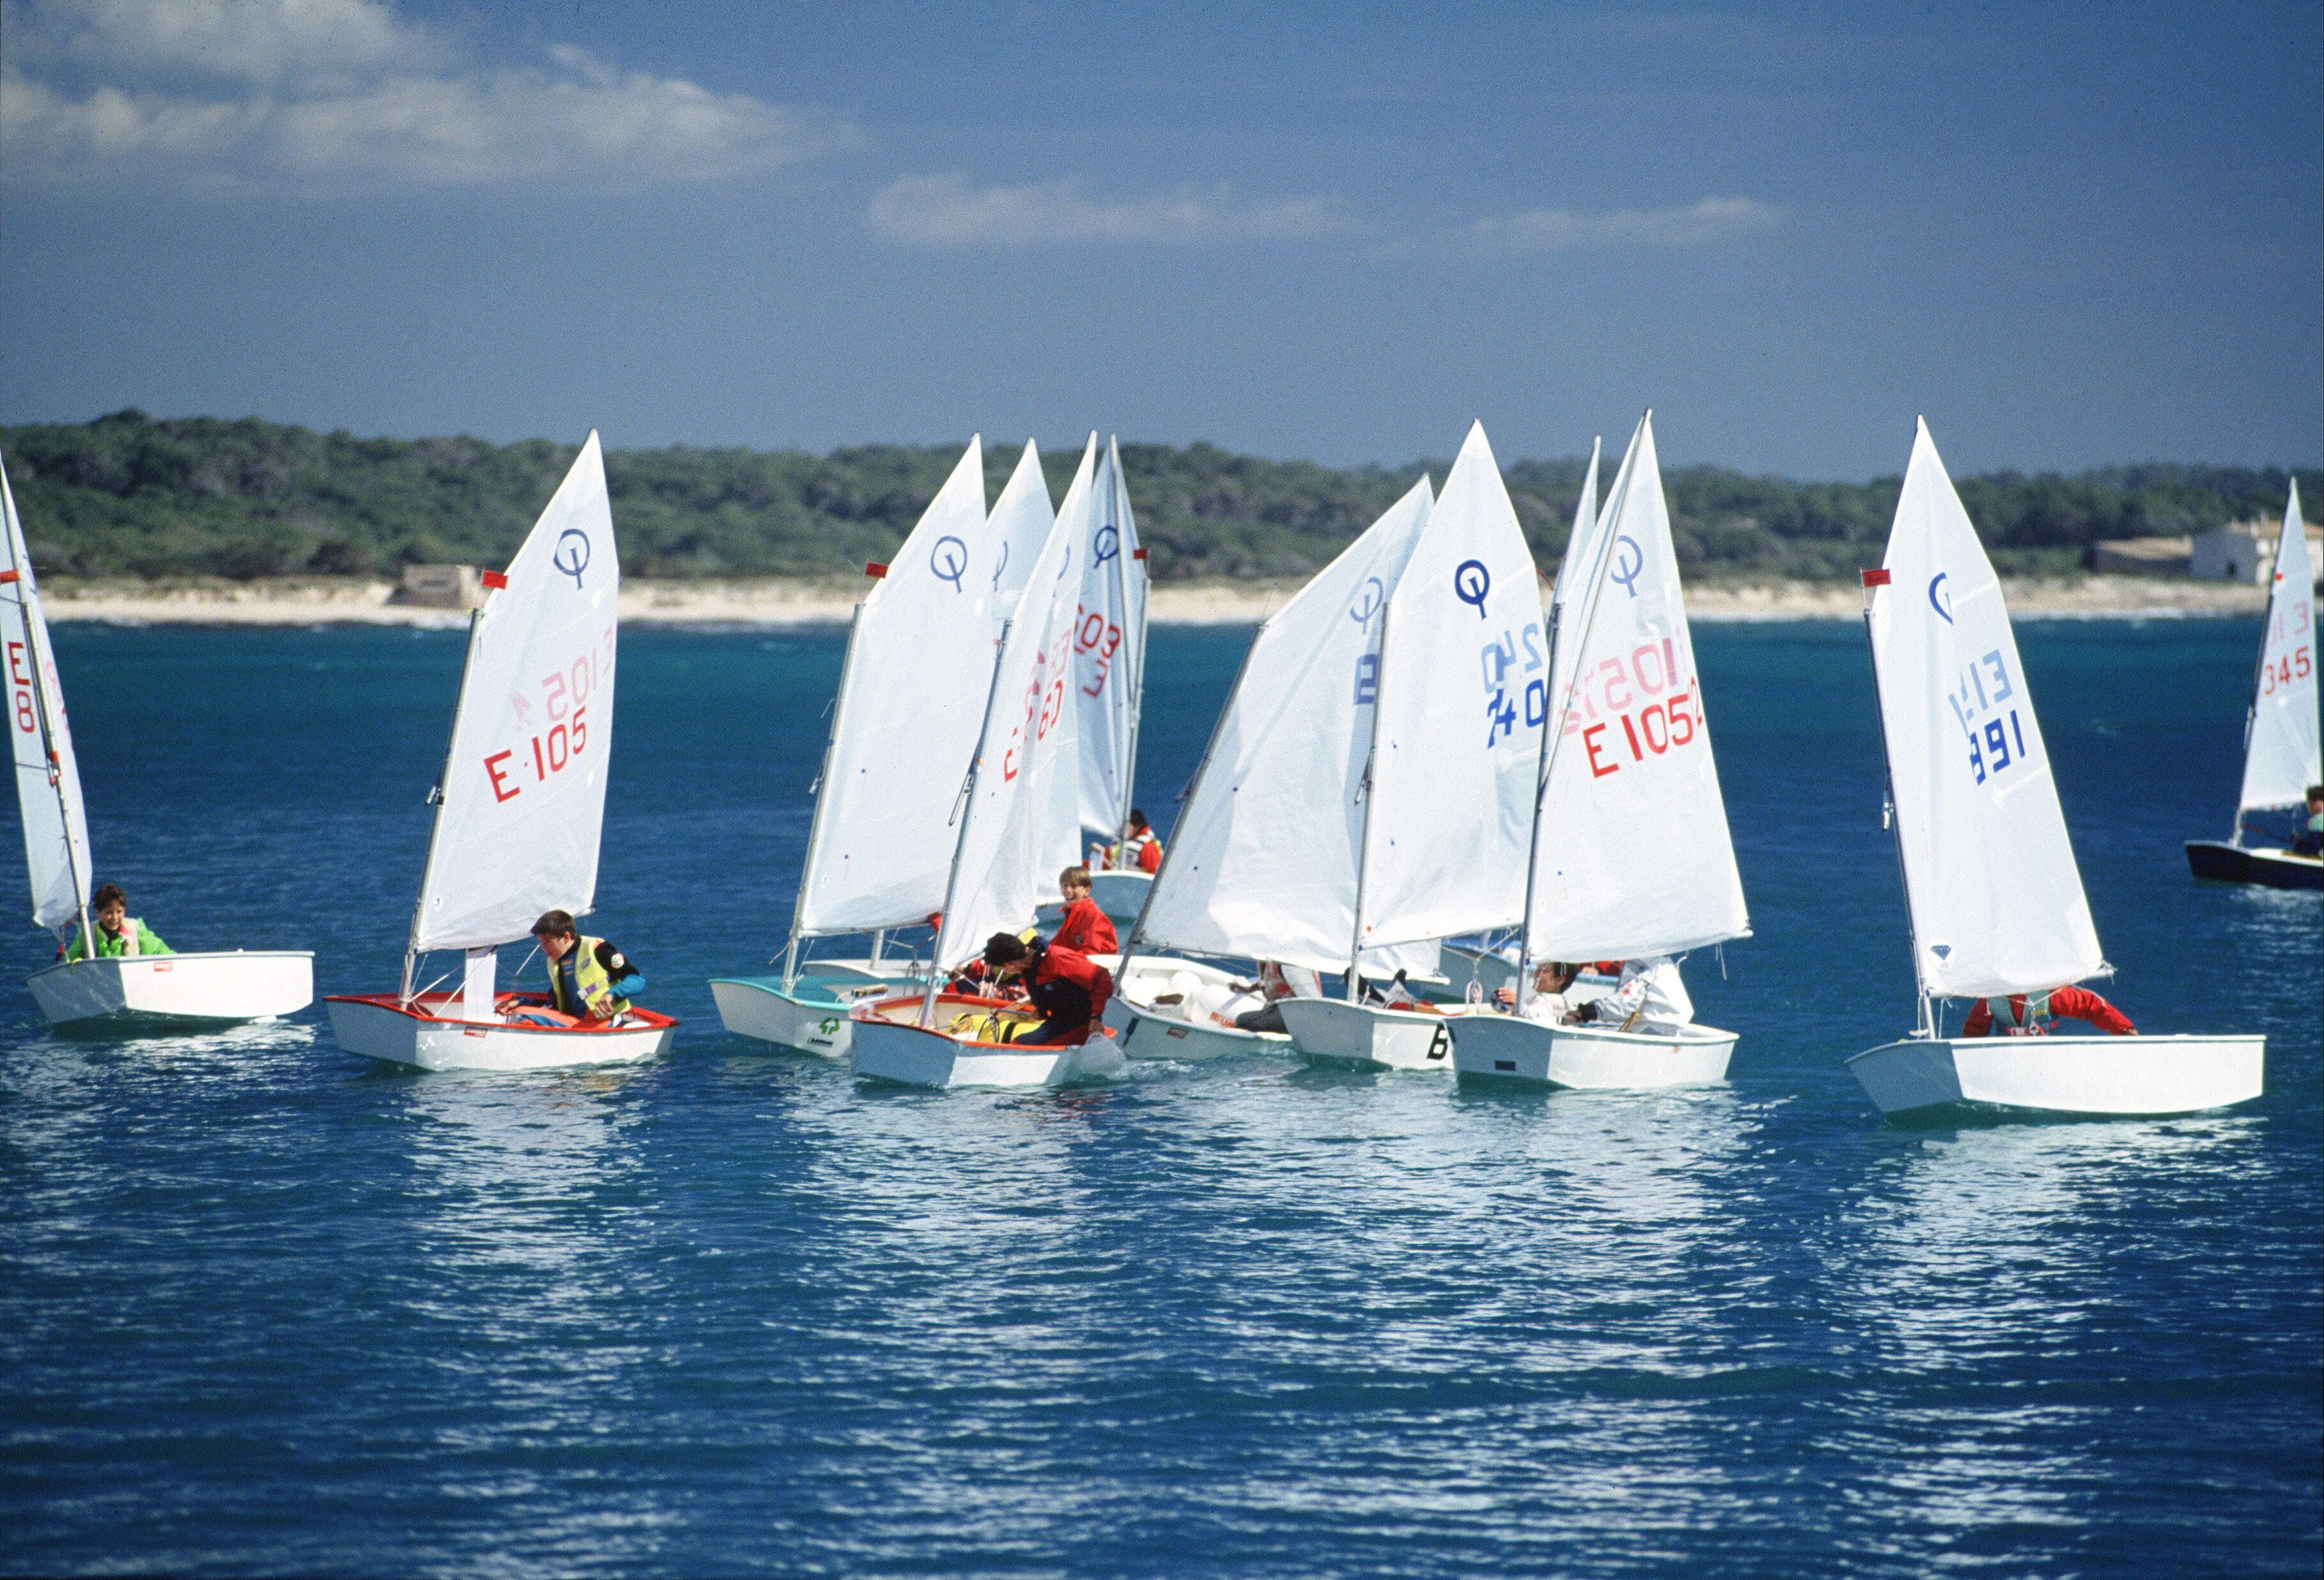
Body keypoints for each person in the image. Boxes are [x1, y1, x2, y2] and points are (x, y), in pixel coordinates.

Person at [983, 930, 1112, 1046]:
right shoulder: (1028, 970)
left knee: (1018, 1044)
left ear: (1009, 965)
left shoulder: (1057, 958)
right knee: (1020, 1040)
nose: (1005, 972)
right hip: (1060, 1021)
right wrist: (1042, 1011)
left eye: (1002, 969)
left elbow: (1101, 977)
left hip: (1082, 1022)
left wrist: (1096, 1018)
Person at [530, 910, 647, 1021]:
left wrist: (612, 995)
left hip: (604, 1021)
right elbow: (554, 1000)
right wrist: (522, 1001)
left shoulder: (597, 949)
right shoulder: (554, 961)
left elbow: (637, 979)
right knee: (519, 1012)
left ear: (566, 937)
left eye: (546, 942)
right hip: (574, 1024)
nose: (543, 948)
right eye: (541, 943)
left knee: (523, 1016)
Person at [1568, 956, 1693, 1033]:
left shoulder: (1645, 964)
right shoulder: (1655, 961)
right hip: (1650, 1027)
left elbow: (1627, 1004)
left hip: (1659, 1031)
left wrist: (1586, 1012)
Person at [1960, 986, 2137, 1037]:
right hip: (2007, 1064)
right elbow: (1973, 1033)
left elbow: (2091, 1006)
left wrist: (2124, 1030)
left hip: (2048, 1062)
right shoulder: (1990, 999)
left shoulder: (2051, 994)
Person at [63, 883, 173, 961]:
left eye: (119, 912)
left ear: (125, 910)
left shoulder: (136, 929)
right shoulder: (88, 935)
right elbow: (71, 963)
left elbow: (159, 950)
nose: (115, 917)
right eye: (109, 913)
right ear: (98, 912)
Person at [1051, 867, 1118, 955]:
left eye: (1073, 886)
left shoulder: (1093, 915)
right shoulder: (1072, 915)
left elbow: (1092, 952)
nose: (1068, 890)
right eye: (1065, 886)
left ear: (1086, 890)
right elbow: (1057, 944)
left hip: (1096, 966)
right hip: (1079, 962)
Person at [1494, 961, 1581, 1024]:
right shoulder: (1568, 1005)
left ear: (1560, 979)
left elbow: (1534, 1016)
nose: (1536, 974)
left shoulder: (1542, 1001)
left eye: (1544, 971)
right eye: (1537, 969)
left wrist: (1517, 1004)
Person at [1092, 809, 1163, 874]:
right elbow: (1103, 867)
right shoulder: (1116, 844)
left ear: (1137, 827)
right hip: (1116, 884)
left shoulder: (1147, 847)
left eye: (1125, 826)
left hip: (1139, 886)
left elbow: (1155, 874)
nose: (1121, 829)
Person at [2293, 785, 2324, 856]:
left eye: (2310, 802)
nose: (2308, 805)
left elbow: (2313, 849)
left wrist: (2297, 843)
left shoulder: (2317, 821)